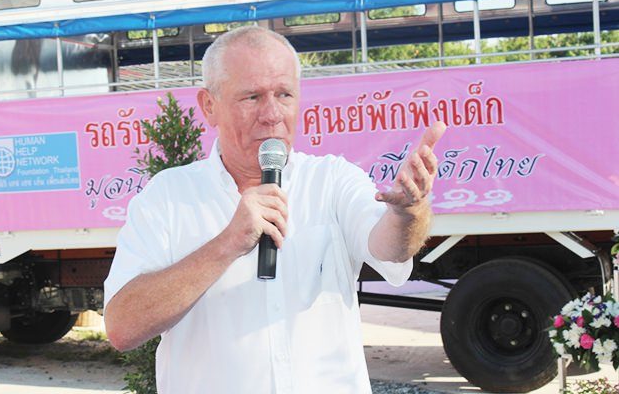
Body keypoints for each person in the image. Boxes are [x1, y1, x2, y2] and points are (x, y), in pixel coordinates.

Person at [104, 26, 445, 394]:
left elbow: (389, 249)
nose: (271, 114)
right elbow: (123, 327)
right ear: (209, 106)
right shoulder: (168, 197)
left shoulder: (332, 179)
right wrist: (227, 244)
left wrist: (408, 212)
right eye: (251, 97)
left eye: (284, 94)